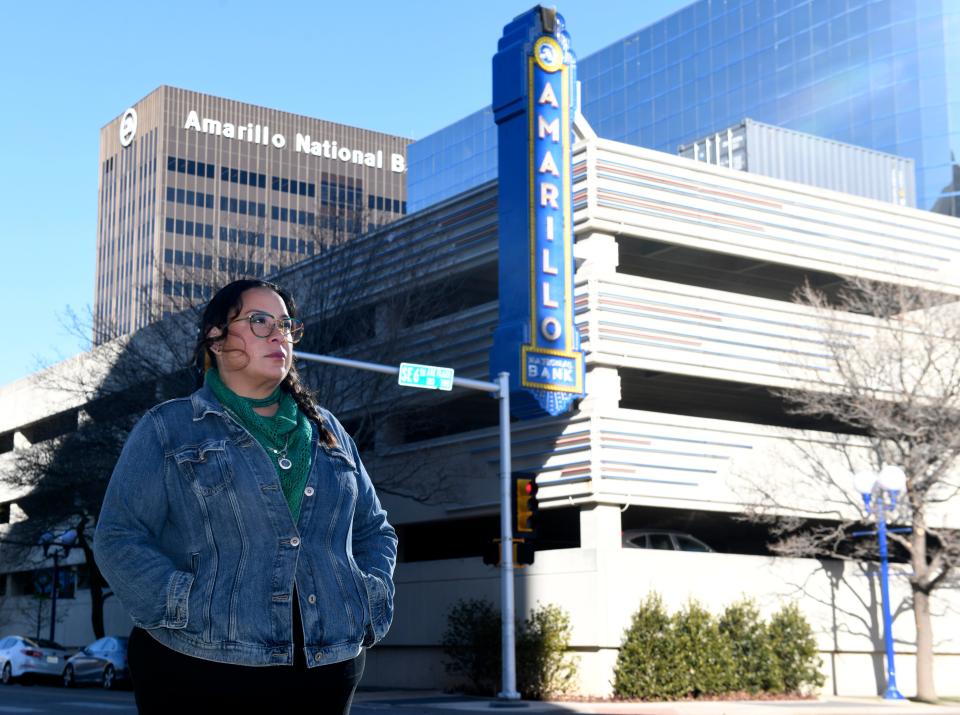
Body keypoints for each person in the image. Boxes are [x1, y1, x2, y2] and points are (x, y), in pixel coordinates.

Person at [94, 279, 397, 713]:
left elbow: (374, 529)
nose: (279, 335)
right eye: (259, 321)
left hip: (329, 666)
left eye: (286, 325)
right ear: (216, 339)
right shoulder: (168, 427)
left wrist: (369, 598)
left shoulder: (329, 431)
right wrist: (181, 603)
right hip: (197, 664)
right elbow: (119, 536)